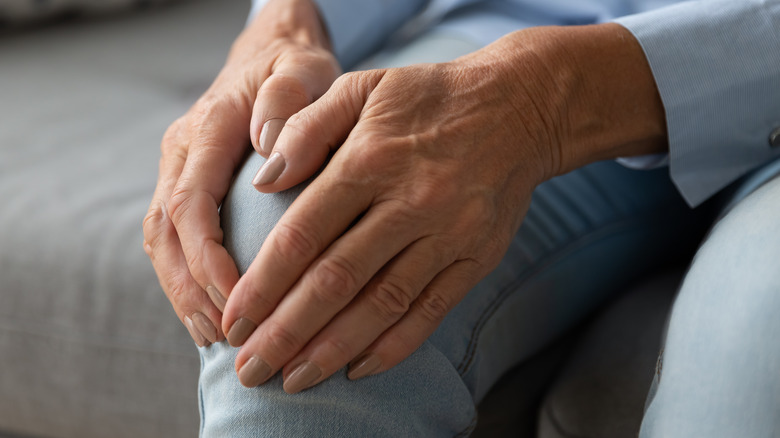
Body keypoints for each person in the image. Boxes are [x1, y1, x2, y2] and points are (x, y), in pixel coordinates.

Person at [142, 0, 780, 435]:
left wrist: (546, 95)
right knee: (295, 237)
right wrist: (285, 26)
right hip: (519, 26)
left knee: (762, 340)